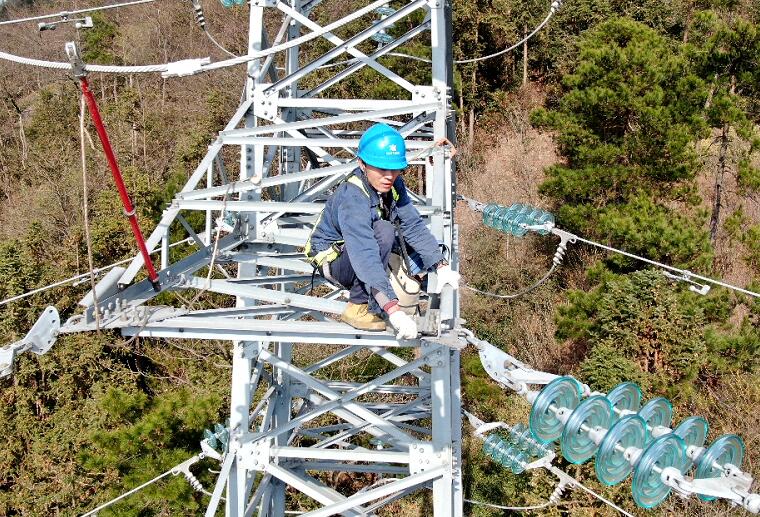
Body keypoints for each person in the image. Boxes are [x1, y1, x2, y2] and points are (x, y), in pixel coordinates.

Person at [305, 123, 459, 339]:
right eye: (381, 169)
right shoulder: (353, 197)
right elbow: (364, 254)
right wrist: (392, 310)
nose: (389, 176)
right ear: (362, 164)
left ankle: (405, 290)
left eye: (394, 169)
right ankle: (357, 307)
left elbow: (412, 224)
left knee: (403, 240)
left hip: (361, 251)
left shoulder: (394, 185)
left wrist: (440, 266)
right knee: (384, 232)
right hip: (335, 261)